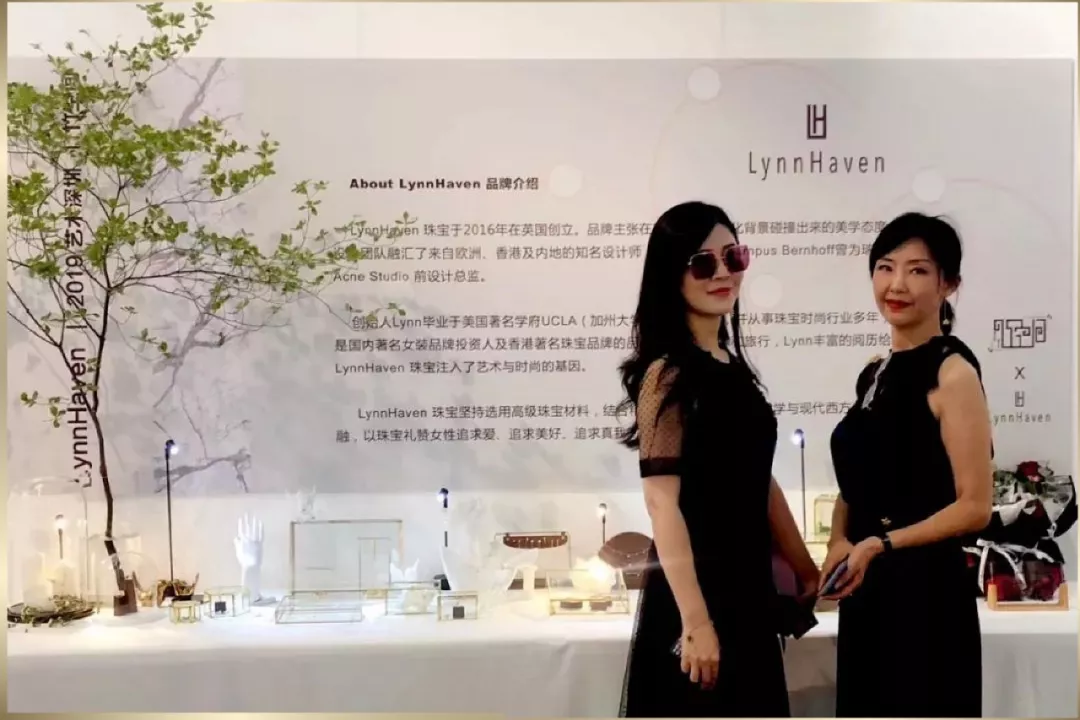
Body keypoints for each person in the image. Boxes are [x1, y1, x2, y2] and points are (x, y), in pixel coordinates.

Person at [616, 201, 819, 718]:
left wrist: (805, 566)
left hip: (747, 588)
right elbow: (661, 504)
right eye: (703, 263)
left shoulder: (731, 366)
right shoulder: (666, 374)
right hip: (697, 596)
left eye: (734, 256)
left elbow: (758, 479)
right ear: (672, 275)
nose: (723, 273)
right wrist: (695, 622)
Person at [821, 212, 993, 717]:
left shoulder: (953, 373)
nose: (896, 284)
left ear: (949, 284)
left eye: (917, 270)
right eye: (885, 267)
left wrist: (882, 543)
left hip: (926, 596)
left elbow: (974, 507)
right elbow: (856, 482)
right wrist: (838, 540)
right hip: (866, 589)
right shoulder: (874, 373)